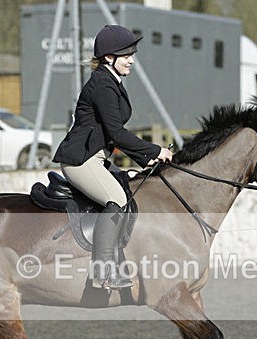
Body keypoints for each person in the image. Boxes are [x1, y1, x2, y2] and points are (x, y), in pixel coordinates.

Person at [53, 24, 173, 290]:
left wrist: (144, 158)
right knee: (116, 199)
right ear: (109, 57)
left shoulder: (111, 80)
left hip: (96, 157)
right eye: (126, 54)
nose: (131, 59)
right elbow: (117, 133)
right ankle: (102, 272)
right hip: (81, 160)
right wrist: (154, 151)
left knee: (127, 190)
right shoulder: (102, 84)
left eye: (132, 53)